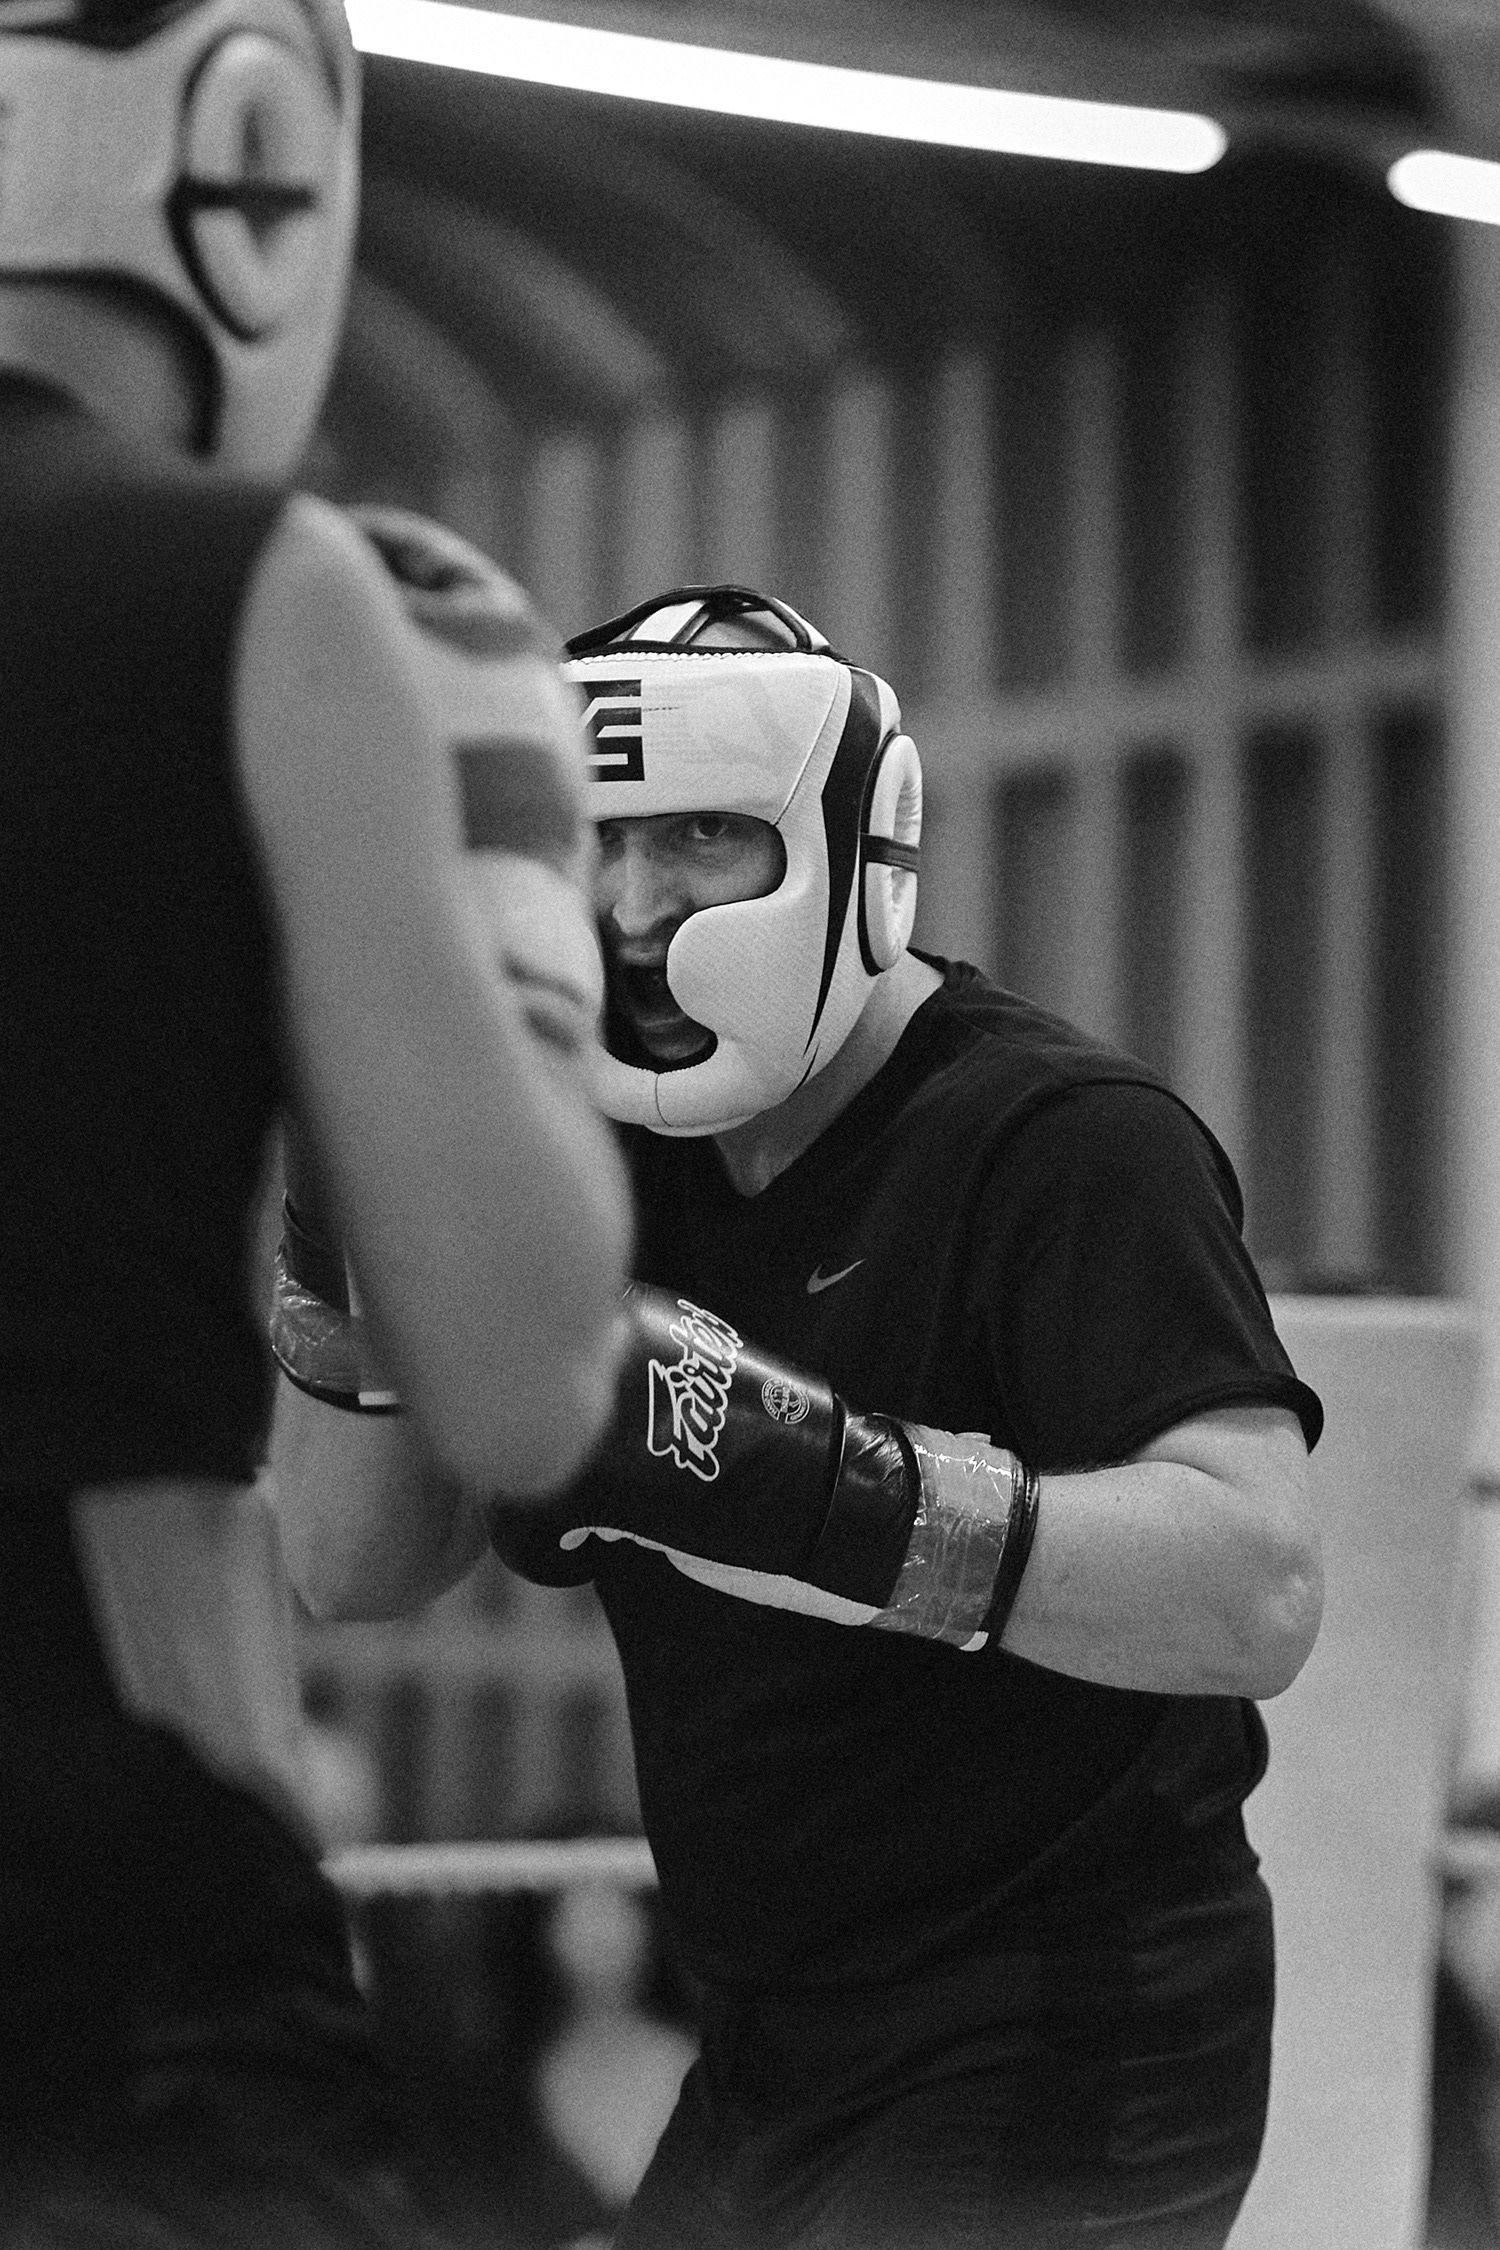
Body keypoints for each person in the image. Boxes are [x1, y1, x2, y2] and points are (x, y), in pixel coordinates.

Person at [276, 584, 1323, 2248]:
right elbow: (353, 1561)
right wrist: (355, 1197)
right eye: (598, 840)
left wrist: (846, 1500)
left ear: (857, 846)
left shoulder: (1062, 1140)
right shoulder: (589, 1154)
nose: (634, 908)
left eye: (700, 834)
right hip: (766, 2033)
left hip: (1067, 2019)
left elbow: (1261, 1587)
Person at [0, 0, 630, 2230]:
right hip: (95, 1850)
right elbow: (524, 1375)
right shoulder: (260, 593)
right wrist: (510, 910)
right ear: (251, 157)